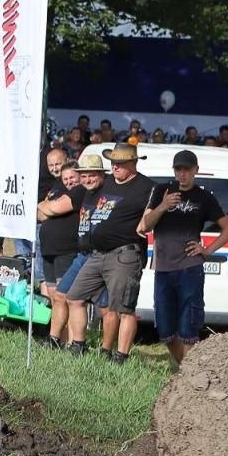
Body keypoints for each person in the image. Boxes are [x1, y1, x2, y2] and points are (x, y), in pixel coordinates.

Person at [140, 149, 228, 365]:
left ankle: (188, 378)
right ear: (174, 171)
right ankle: (187, 370)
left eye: (187, 170)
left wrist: (207, 250)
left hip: (190, 269)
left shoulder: (204, 197)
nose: (182, 174)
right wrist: (164, 206)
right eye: (178, 169)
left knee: (188, 328)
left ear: (196, 171)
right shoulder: (161, 190)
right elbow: (145, 225)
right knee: (165, 330)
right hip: (163, 268)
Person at [63, 142, 156, 363]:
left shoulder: (147, 187)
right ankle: (78, 345)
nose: (115, 167)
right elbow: (84, 188)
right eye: (113, 163)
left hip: (125, 254)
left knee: (123, 308)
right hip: (97, 253)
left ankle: (118, 355)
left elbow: (152, 219)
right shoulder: (106, 184)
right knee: (74, 297)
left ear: (133, 163)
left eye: (120, 163)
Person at [35, 154, 85, 347]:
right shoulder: (57, 188)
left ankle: (73, 341)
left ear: (79, 176)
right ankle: (57, 340)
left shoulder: (79, 191)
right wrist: (47, 207)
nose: (69, 181)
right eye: (65, 179)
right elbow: (40, 214)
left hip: (66, 250)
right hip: (48, 251)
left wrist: (47, 206)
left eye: (72, 177)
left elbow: (53, 209)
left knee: (67, 297)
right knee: (56, 297)